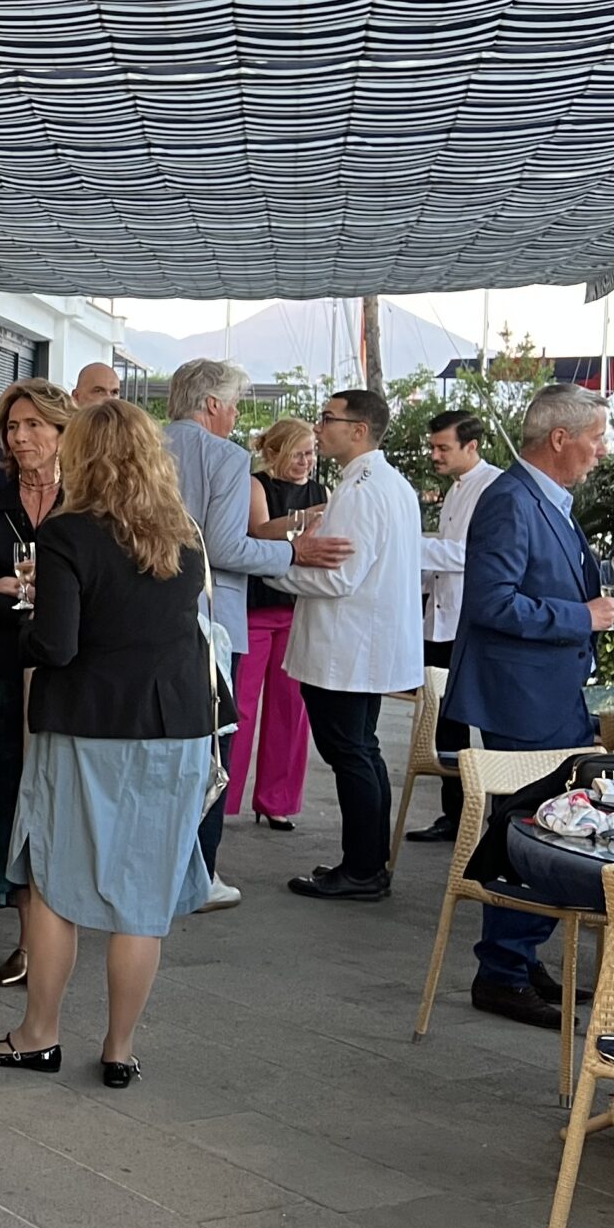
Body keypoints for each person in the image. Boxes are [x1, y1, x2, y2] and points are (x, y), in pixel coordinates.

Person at [0, 399, 214, 1090]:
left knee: (54, 886)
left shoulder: (69, 533)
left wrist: (25, 625)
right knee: (142, 901)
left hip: (86, 727)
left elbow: (57, 646)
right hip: (173, 730)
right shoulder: (182, 532)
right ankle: (119, 1050)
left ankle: (38, 1035)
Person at [442, 384, 614, 1024]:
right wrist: (582, 616)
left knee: (543, 823)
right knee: (534, 828)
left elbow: (550, 582)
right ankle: (503, 971)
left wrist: (612, 573)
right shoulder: (512, 499)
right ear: (560, 439)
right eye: (597, 437)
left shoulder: (544, 498)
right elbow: (493, 603)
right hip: (523, 697)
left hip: (545, 693)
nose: (603, 450)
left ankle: (517, 959)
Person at [162, 360, 354, 910]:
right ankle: (199, 877)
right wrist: (294, 552)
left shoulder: (147, 445)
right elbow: (225, 548)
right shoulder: (224, 456)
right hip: (212, 618)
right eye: (233, 404)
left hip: (145, 615)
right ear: (212, 404)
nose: (235, 415)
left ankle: (157, 866)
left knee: (161, 749)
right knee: (213, 749)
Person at [270, 387, 423, 902]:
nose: (318, 428)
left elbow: (338, 577)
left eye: (327, 418)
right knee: (362, 750)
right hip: (362, 643)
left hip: (346, 647)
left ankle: (362, 869)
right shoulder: (387, 483)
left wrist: (274, 569)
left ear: (359, 429)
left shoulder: (361, 491)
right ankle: (369, 862)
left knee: (350, 753)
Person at [0, 378, 68, 983]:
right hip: (0, 669)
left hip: (64, 674)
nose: (20, 437)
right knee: (6, 799)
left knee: (56, 802)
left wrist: (15, 587)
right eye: (12, 427)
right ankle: (27, 939)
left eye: (34, 425)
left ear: (62, 432)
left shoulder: (84, 503)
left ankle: (55, 929)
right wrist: (30, 595)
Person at [407, 409, 500, 844]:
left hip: (470, 619)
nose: (435, 455)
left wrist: (408, 547)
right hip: (441, 616)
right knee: (446, 721)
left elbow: (468, 554)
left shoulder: (492, 487)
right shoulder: (456, 488)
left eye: (443, 448)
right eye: (433, 447)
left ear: (472, 446)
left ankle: (495, 814)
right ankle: (455, 813)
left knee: (482, 719)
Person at [230, 417, 324, 833]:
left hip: (298, 607)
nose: (306, 461)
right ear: (274, 453)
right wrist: (310, 516)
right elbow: (261, 530)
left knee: (291, 708)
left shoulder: (321, 491)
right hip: (256, 605)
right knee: (242, 707)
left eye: (310, 453)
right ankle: (226, 797)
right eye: (298, 453)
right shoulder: (257, 485)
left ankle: (277, 800)